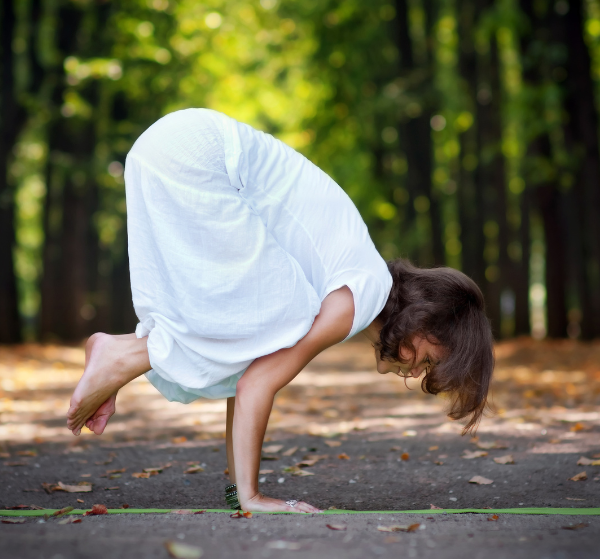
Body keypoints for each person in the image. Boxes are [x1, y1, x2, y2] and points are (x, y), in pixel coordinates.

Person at [66, 108, 494, 514]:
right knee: (279, 323)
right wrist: (254, 498)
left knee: (260, 331)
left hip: (170, 147)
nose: (419, 373)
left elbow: (250, 364)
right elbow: (258, 381)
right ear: (426, 318)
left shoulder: (353, 282)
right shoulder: (354, 300)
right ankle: (123, 355)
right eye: (432, 360)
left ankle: (125, 352)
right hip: (197, 156)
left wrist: (237, 491)